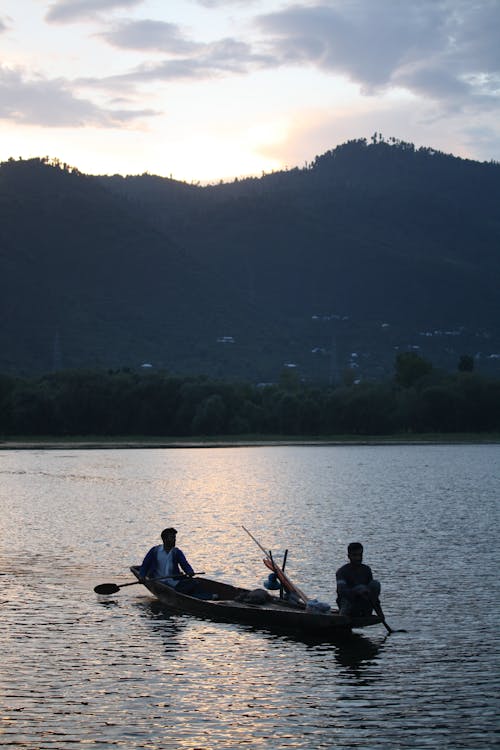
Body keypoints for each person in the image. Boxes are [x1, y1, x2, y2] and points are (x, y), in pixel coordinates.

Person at [139, 527, 196, 593]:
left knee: (194, 582)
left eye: (175, 538)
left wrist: (190, 571)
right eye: (172, 538)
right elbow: (145, 565)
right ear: (164, 539)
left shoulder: (176, 552)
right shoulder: (155, 551)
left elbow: (184, 564)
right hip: (157, 580)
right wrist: (142, 576)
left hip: (173, 581)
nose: (174, 540)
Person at [336, 542, 381, 616]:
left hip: (363, 604)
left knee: (375, 584)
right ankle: (343, 617)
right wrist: (357, 591)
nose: (358, 558)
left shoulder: (366, 570)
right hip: (348, 606)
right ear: (349, 556)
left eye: (360, 555)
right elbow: (341, 591)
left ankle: (365, 613)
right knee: (350, 594)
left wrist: (380, 614)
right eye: (355, 555)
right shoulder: (342, 571)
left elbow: (374, 596)